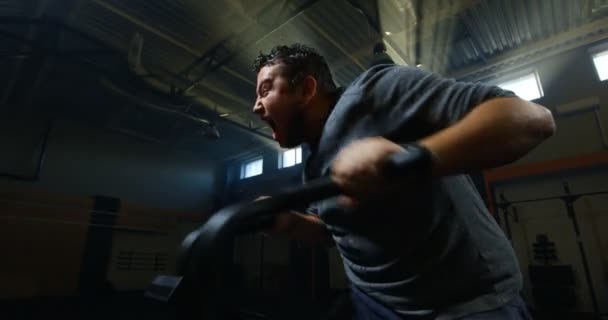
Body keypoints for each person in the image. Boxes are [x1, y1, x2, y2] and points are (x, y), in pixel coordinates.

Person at [251, 43, 555, 319]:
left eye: (265, 90)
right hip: (375, 305)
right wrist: (288, 222)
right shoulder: (313, 166)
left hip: (465, 305)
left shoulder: (375, 91)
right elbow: (333, 234)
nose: (255, 106)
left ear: (306, 89)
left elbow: (532, 119)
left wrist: (409, 161)